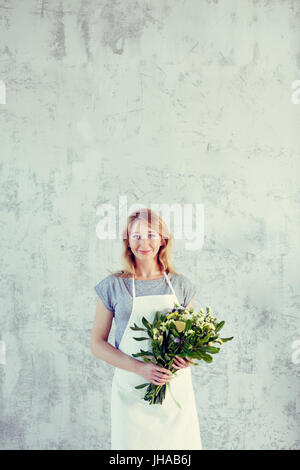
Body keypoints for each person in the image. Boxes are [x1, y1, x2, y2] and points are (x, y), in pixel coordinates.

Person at [91, 208, 202, 450]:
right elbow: (97, 344)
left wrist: (187, 357)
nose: (144, 243)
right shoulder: (113, 286)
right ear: (127, 241)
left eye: (151, 235)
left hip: (174, 395)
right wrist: (141, 368)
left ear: (163, 239)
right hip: (131, 391)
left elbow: (189, 340)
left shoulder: (181, 286)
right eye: (137, 236)